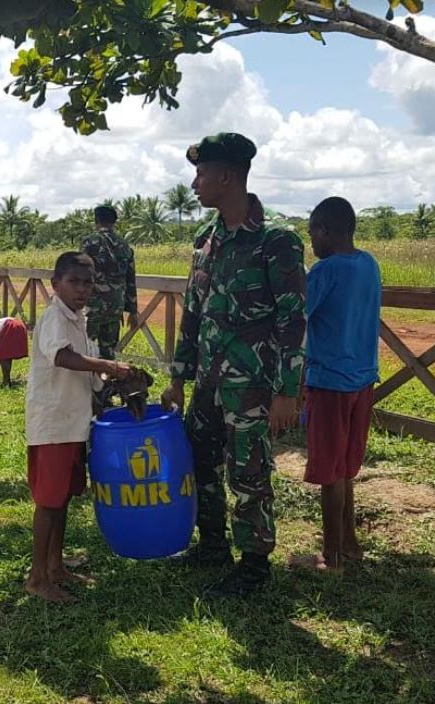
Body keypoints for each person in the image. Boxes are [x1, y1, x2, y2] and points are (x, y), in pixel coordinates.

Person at [160, 132, 307, 599]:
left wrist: (287, 391)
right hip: (208, 380)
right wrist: (178, 378)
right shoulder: (206, 239)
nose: (194, 183)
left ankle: (254, 565)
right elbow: (193, 313)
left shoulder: (276, 239)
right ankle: (212, 547)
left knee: (248, 470)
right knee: (199, 460)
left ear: (227, 176)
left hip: (252, 385)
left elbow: (292, 319)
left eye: (201, 174)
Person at [25, 252, 132, 603]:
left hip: (74, 425)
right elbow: (62, 357)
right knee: (48, 502)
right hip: (54, 426)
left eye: (88, 283)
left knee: (62, 498)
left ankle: (55, 567)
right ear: (56, 284)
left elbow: (90, 377)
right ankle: (37, 577)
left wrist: (113, 376)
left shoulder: (78, 321)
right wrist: (106, 365)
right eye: (74, 282)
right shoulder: (55, 318)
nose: (82, 289)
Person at [291, 197, 381, 573]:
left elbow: (297, 316)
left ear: (325, 230)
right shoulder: (369, 263)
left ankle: (331, 559)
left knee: (330, 472)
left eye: (312, 232)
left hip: (329, 382)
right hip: (363, 379)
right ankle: (349, 542)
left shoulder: (325, 271)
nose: (311, 240)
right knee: (344, 467)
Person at [80, 204, 137, 360]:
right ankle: (107, 375)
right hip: (115, 306)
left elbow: (81, 272)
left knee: (86, 348)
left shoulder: (89, 242)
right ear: (114, 222)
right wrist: (133, 310)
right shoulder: (125, 246)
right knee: (108, 352)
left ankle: (89, 376)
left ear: (96, 220)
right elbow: (130, 279)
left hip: (93, 305)